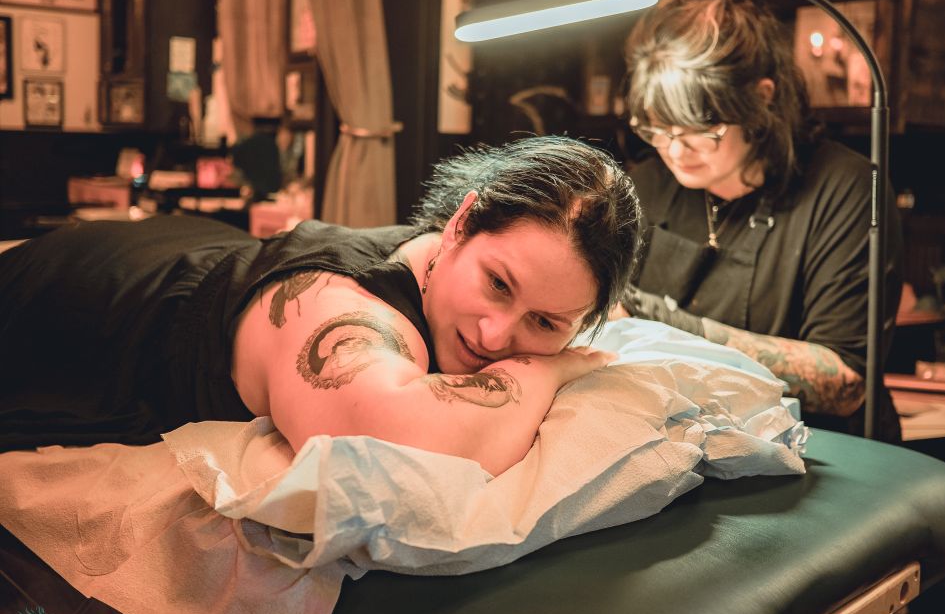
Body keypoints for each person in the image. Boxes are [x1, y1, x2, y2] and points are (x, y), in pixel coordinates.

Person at [0, 135, 641, 475]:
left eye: (545, 322)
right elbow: (404, 438)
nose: (498, 336)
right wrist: (553, 366)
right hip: (67, 298)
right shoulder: (345, 307)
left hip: (184, 253)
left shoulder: (439, 268)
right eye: (498, 284)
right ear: (462, 223)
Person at [617, 0, 903, 441]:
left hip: (825, 457)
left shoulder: (844, 189)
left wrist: (659, 320)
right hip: (690, 447)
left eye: (700, 128)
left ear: (760, 98)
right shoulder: (648, 184)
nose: (674, 149)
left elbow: (845, 382)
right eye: (657, 127)